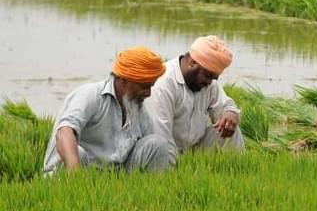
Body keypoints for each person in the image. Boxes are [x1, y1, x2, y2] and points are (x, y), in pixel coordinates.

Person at [43, 47, 173, 175]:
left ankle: (146, 191)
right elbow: (64, 134)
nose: (148, 93)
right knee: (78, 152)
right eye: (144, 87)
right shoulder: (90, 96)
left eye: (151, 87)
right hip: (75, 174)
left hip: (111, 179)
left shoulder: (140, 112)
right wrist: (76, 176)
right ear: (123, 81)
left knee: (157, 144)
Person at [145, 36, 244, 160]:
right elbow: (160, 136)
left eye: (213, 78)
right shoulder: (163, 84)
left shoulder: (206, 83)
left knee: (231, 131)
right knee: (160, 145)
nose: (209, 82)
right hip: (162, 151)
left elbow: (226, 107)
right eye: (207, 75)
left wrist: (231, 114)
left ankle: (236, 171)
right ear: (192, 62)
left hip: (192, 150)